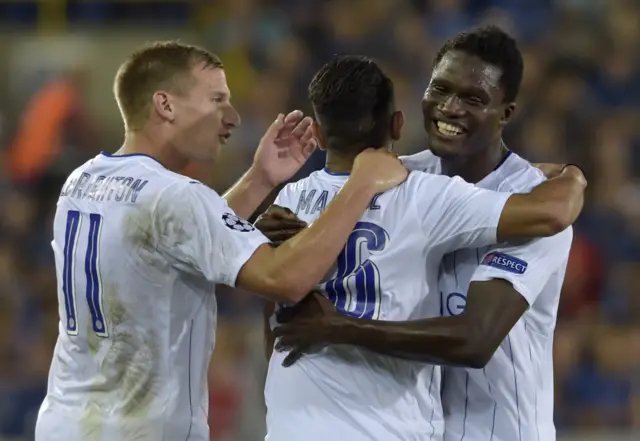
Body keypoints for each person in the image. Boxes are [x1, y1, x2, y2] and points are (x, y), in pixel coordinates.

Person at [33, 41, 408, 441]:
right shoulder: (176, 196)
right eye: (216, 100)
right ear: (166, 105)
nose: (231, 117)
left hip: (65, 422)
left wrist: (259, 180)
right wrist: (360, 185)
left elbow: (175, 237)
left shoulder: (84, 179)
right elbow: (287, 278)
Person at [269, 26, 577, 441]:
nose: (450, 108)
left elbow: (475, 340)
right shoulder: (396, 176)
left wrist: (339, 326)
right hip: (415, 430)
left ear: (506, 113)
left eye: (473, 99)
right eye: (440, 89)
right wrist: (268, 227)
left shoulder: (534, 206)